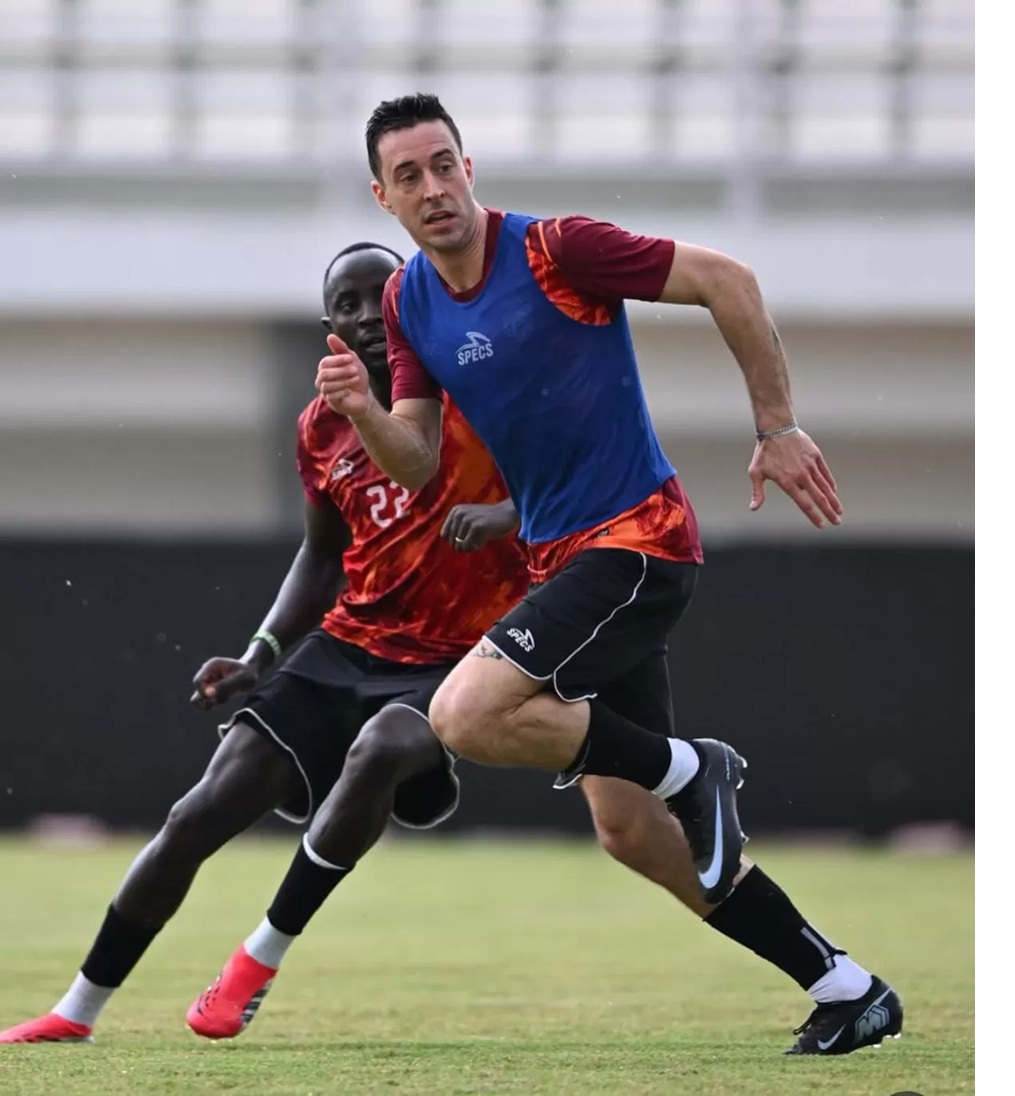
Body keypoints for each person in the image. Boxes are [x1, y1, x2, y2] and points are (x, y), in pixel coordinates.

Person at [313, 93, 903, 1055]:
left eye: (444, 164)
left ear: (471, 166)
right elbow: (416, 462)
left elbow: (727, 278)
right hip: (565, 564)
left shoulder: (556, 250)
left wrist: (776, 425)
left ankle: (692, 766)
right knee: (633, 834)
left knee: (463, 714)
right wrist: (361, 410)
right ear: (382, 196)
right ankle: (846, 985)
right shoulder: (405, 300)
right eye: (409, 175)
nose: (434, 188)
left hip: (637, 544)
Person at [0, 240, 529, 1045]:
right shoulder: (321, 426)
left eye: (380, 297)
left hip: (461, 654)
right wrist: (258, 655)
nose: (365, 316)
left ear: (413, 305)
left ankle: (257, 961)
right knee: (199, 811)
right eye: (345, 305)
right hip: (350, 645)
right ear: (329, 328)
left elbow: (566, 487)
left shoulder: (476, 390)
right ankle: (75, 1011)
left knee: (384, 747)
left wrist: (503, 516)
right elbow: (321, 555)